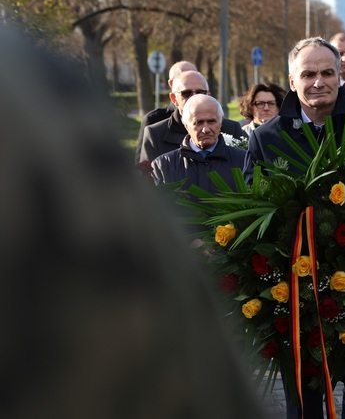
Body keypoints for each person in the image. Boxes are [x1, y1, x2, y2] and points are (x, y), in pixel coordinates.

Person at [0, 22, 273, 419]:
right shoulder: (163, 162)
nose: (205, 126)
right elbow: (152, 208)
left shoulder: (240, 155)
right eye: (195, 115)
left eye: (212, 118)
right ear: (180, 113)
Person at [245, 37, 345, 419]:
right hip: (294, 296)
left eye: (327, 72)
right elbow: (253, 209)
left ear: (341, 75)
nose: (318, 82)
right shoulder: (267, 138)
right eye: (308, 74)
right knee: (304, 402)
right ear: (292, 81)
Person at [139, 70, 245, 163]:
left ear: (208, 95)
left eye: (200, 92)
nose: (194, 97)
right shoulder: (156, 134)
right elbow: (148, 179)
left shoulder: (231, 128)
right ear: (174, 99)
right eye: (186, 93)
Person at [151, 94, 246, 193]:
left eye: (211, 121)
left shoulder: (243, 160)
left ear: (221, 122)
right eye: (199, 123)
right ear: (186, 125)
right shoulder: (164, 166)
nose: (206, 130)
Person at [134, 60, 197, 162]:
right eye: (185, 76)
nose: (193, 81)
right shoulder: (154, 119)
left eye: (195, 76)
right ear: (171, 83)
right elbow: (142, 167)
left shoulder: (213, 118)